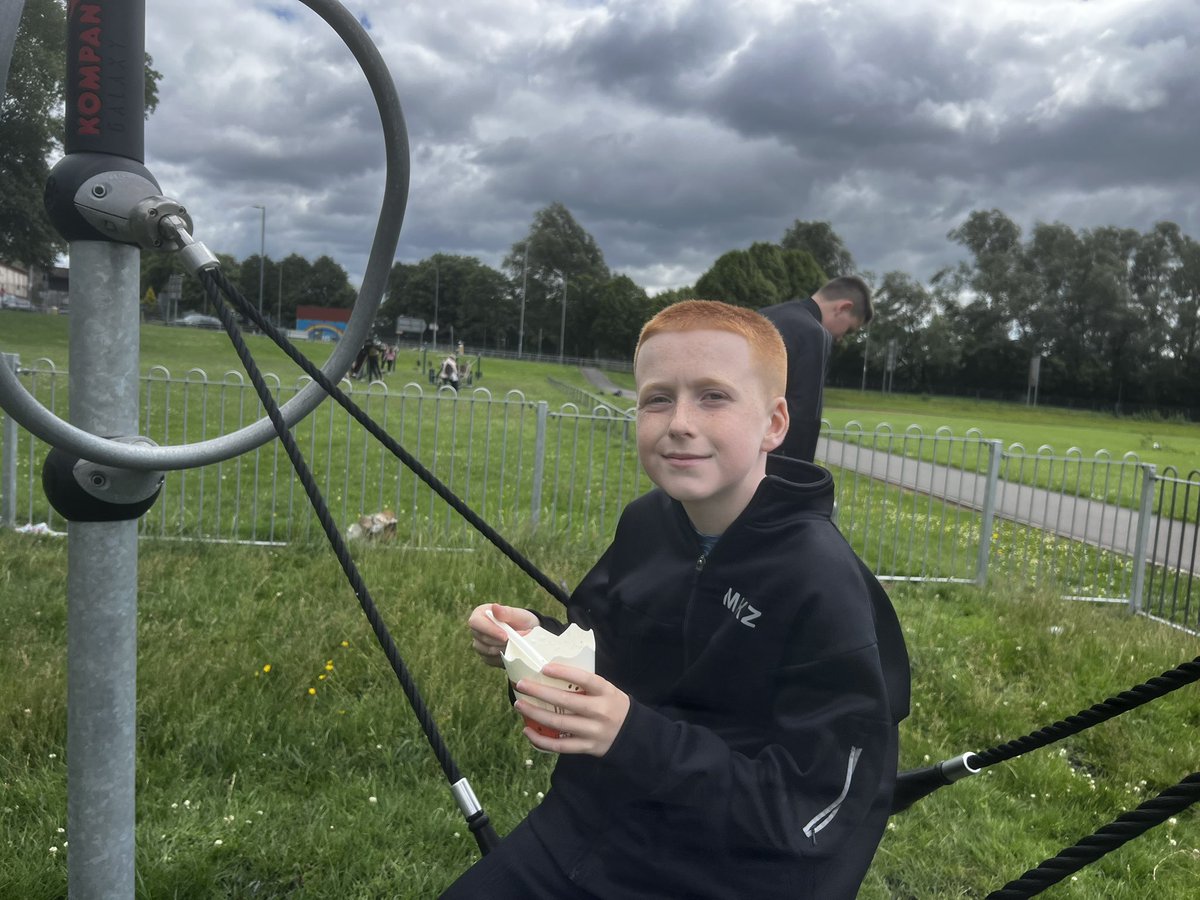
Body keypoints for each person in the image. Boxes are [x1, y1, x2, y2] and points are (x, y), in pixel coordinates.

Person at [444, 299, 909, 899]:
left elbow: (812, 812)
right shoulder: (646, 525)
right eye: (657, 398)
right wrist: (534, 641)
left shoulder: (822, 582)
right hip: (580, 831)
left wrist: (632, 737)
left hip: (719, 876)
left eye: (713, 396)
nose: (679, 422)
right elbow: (600, 654)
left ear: (774, 422)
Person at [759, 275, 874, 463]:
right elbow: (804, 417)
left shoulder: (763, 315)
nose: (841, 337)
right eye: (849, 330)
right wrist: (802, 477)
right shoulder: (815, 333)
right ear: (843, 308)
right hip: (776, 462)